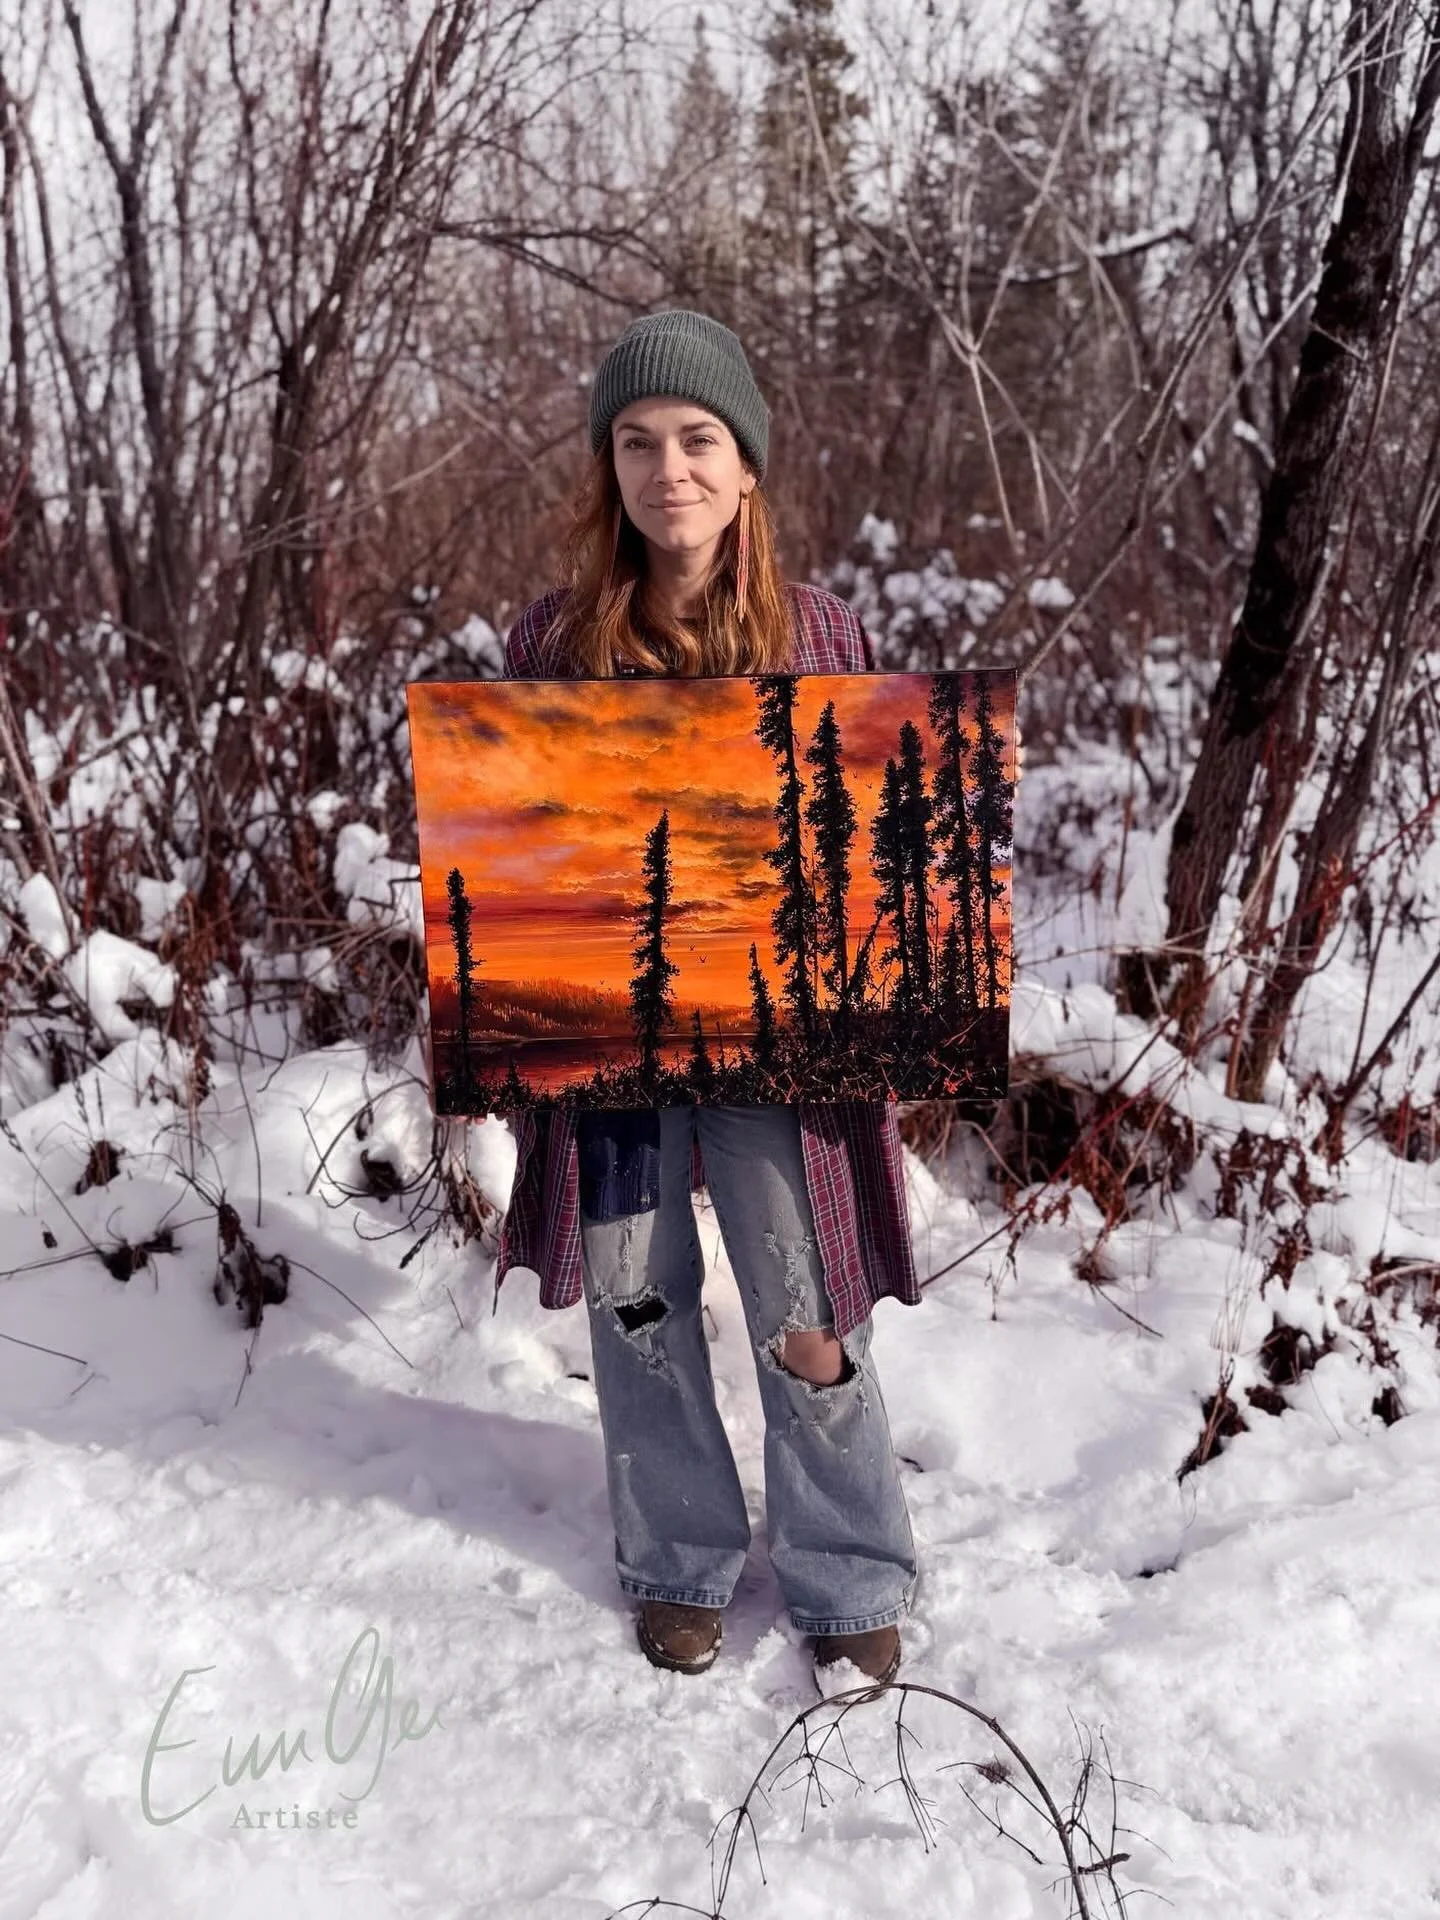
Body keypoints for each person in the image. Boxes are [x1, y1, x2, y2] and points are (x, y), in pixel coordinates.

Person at [494, 309, 921, 1690]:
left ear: (745, 467)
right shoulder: (555, 635)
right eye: (637, 442)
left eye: (697, 440)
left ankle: (846, 1565)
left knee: (802, 1304)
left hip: (777, 1049)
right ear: (606, 470)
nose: (667, 467)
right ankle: (678, 1556)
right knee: (634, 1296)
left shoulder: (817, 628)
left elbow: (870, 854)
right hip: (615, 1038)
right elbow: (516, 842)